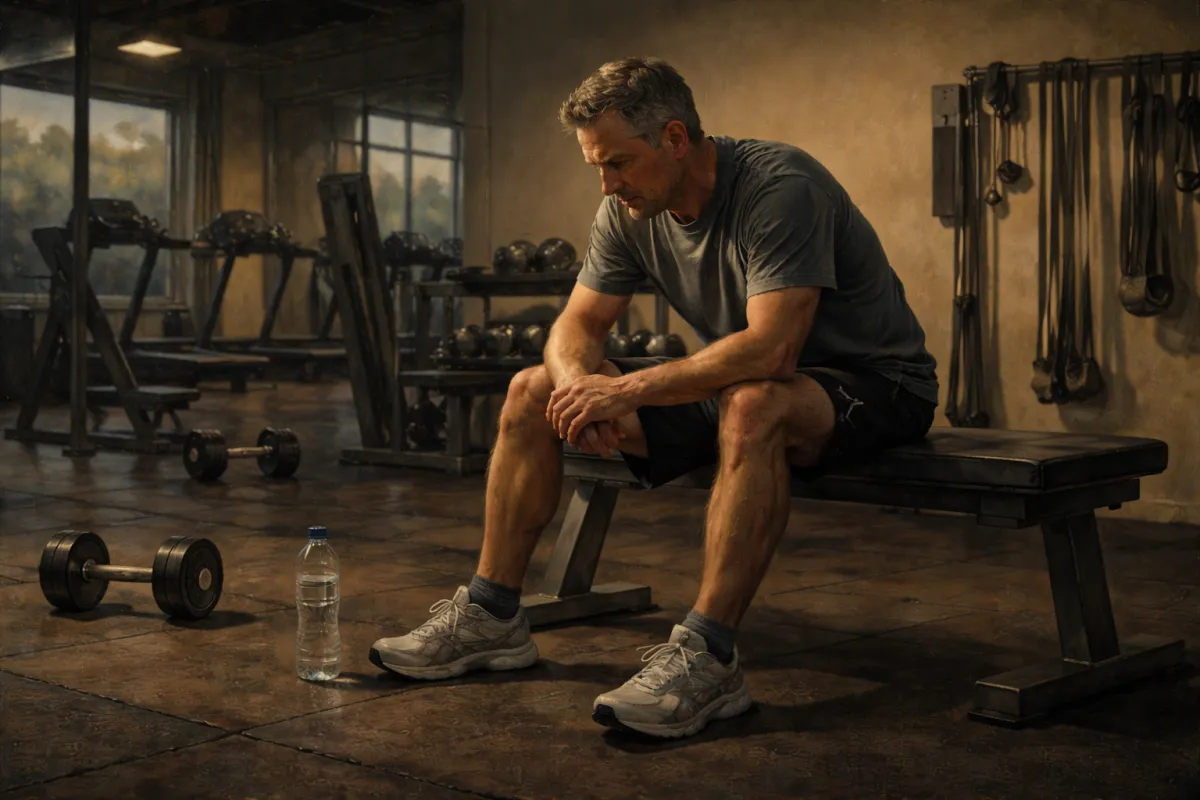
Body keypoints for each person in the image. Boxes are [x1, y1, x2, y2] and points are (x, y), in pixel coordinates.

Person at [369, 56, 939, 739]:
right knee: (532, 387)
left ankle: (710, 657)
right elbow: (576, 325)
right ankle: (492, 616)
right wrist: (581, 388)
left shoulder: (779, 187)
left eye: (619, 164)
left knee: (757, 402)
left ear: (674, 139)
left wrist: (627, 389)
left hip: (874, 383)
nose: (608, 185)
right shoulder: (628, 209)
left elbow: (773, 349)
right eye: (597, 168)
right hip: (742, 385)